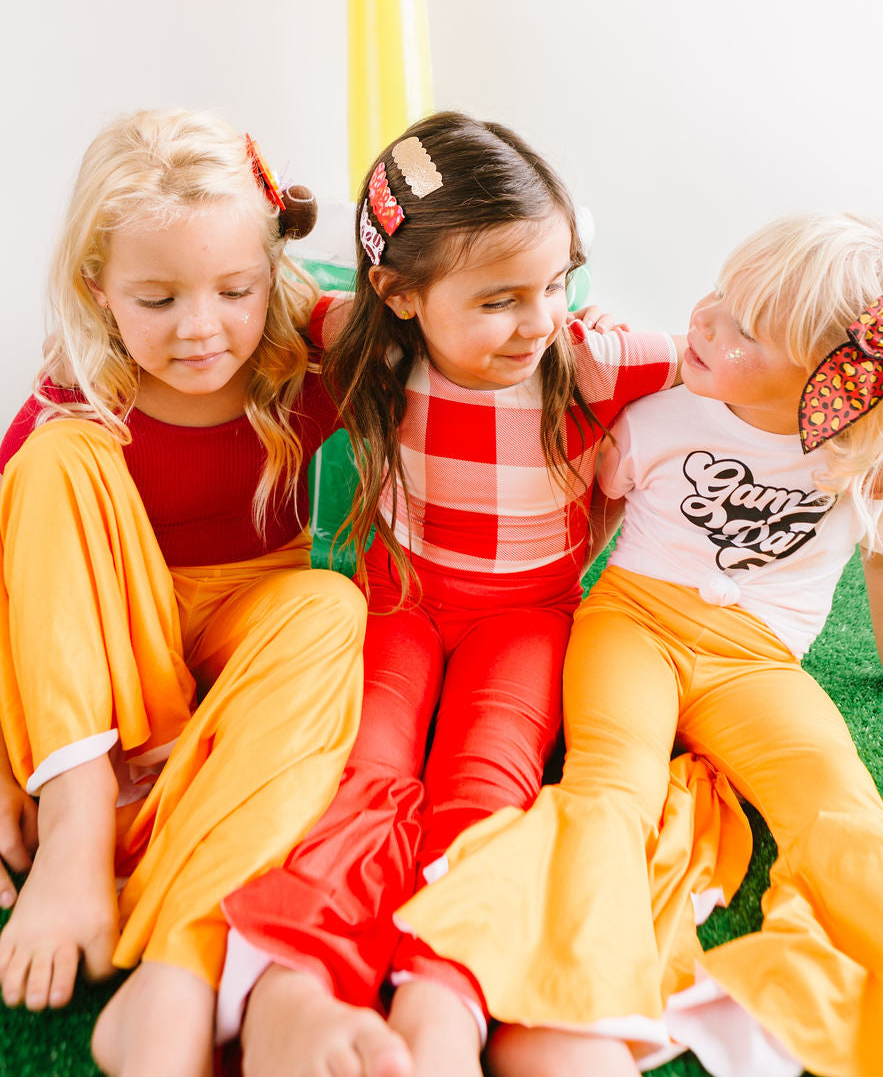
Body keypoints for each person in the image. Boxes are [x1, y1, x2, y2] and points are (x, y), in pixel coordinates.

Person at [399, 212, 883, 1077]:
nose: (703, 318)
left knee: (838, 805)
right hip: (629, 629)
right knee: (612, 786)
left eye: (744, 328)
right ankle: (582, 999)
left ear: (826, 382)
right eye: (720, 295)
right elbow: (583, 501)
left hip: (756, 661)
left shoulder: (867, 457)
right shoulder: (659, 413)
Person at [215, 111, 694, 1077]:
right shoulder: (365, 341)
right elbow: (275, 284)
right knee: (365, 768)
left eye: (558, 283)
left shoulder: (590, 361)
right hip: (398, 605)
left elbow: (735, 360)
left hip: (526, 622)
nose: (539, 320)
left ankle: (450, 991)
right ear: (396, 293)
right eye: (500, 299)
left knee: (486, 780)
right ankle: (303, 978)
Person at [0, 109, 368, 1077]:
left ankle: (183, 930)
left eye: (236, 290)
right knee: (54, 460)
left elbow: (439, 329)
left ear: (274, 275)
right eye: (157, 298)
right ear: (100, 290)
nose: (203, 329)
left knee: (333, 606)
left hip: (245, 631)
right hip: (116, 646)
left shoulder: (306, 361)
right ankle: (78, 819)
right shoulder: (82, 389)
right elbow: (21, 584)